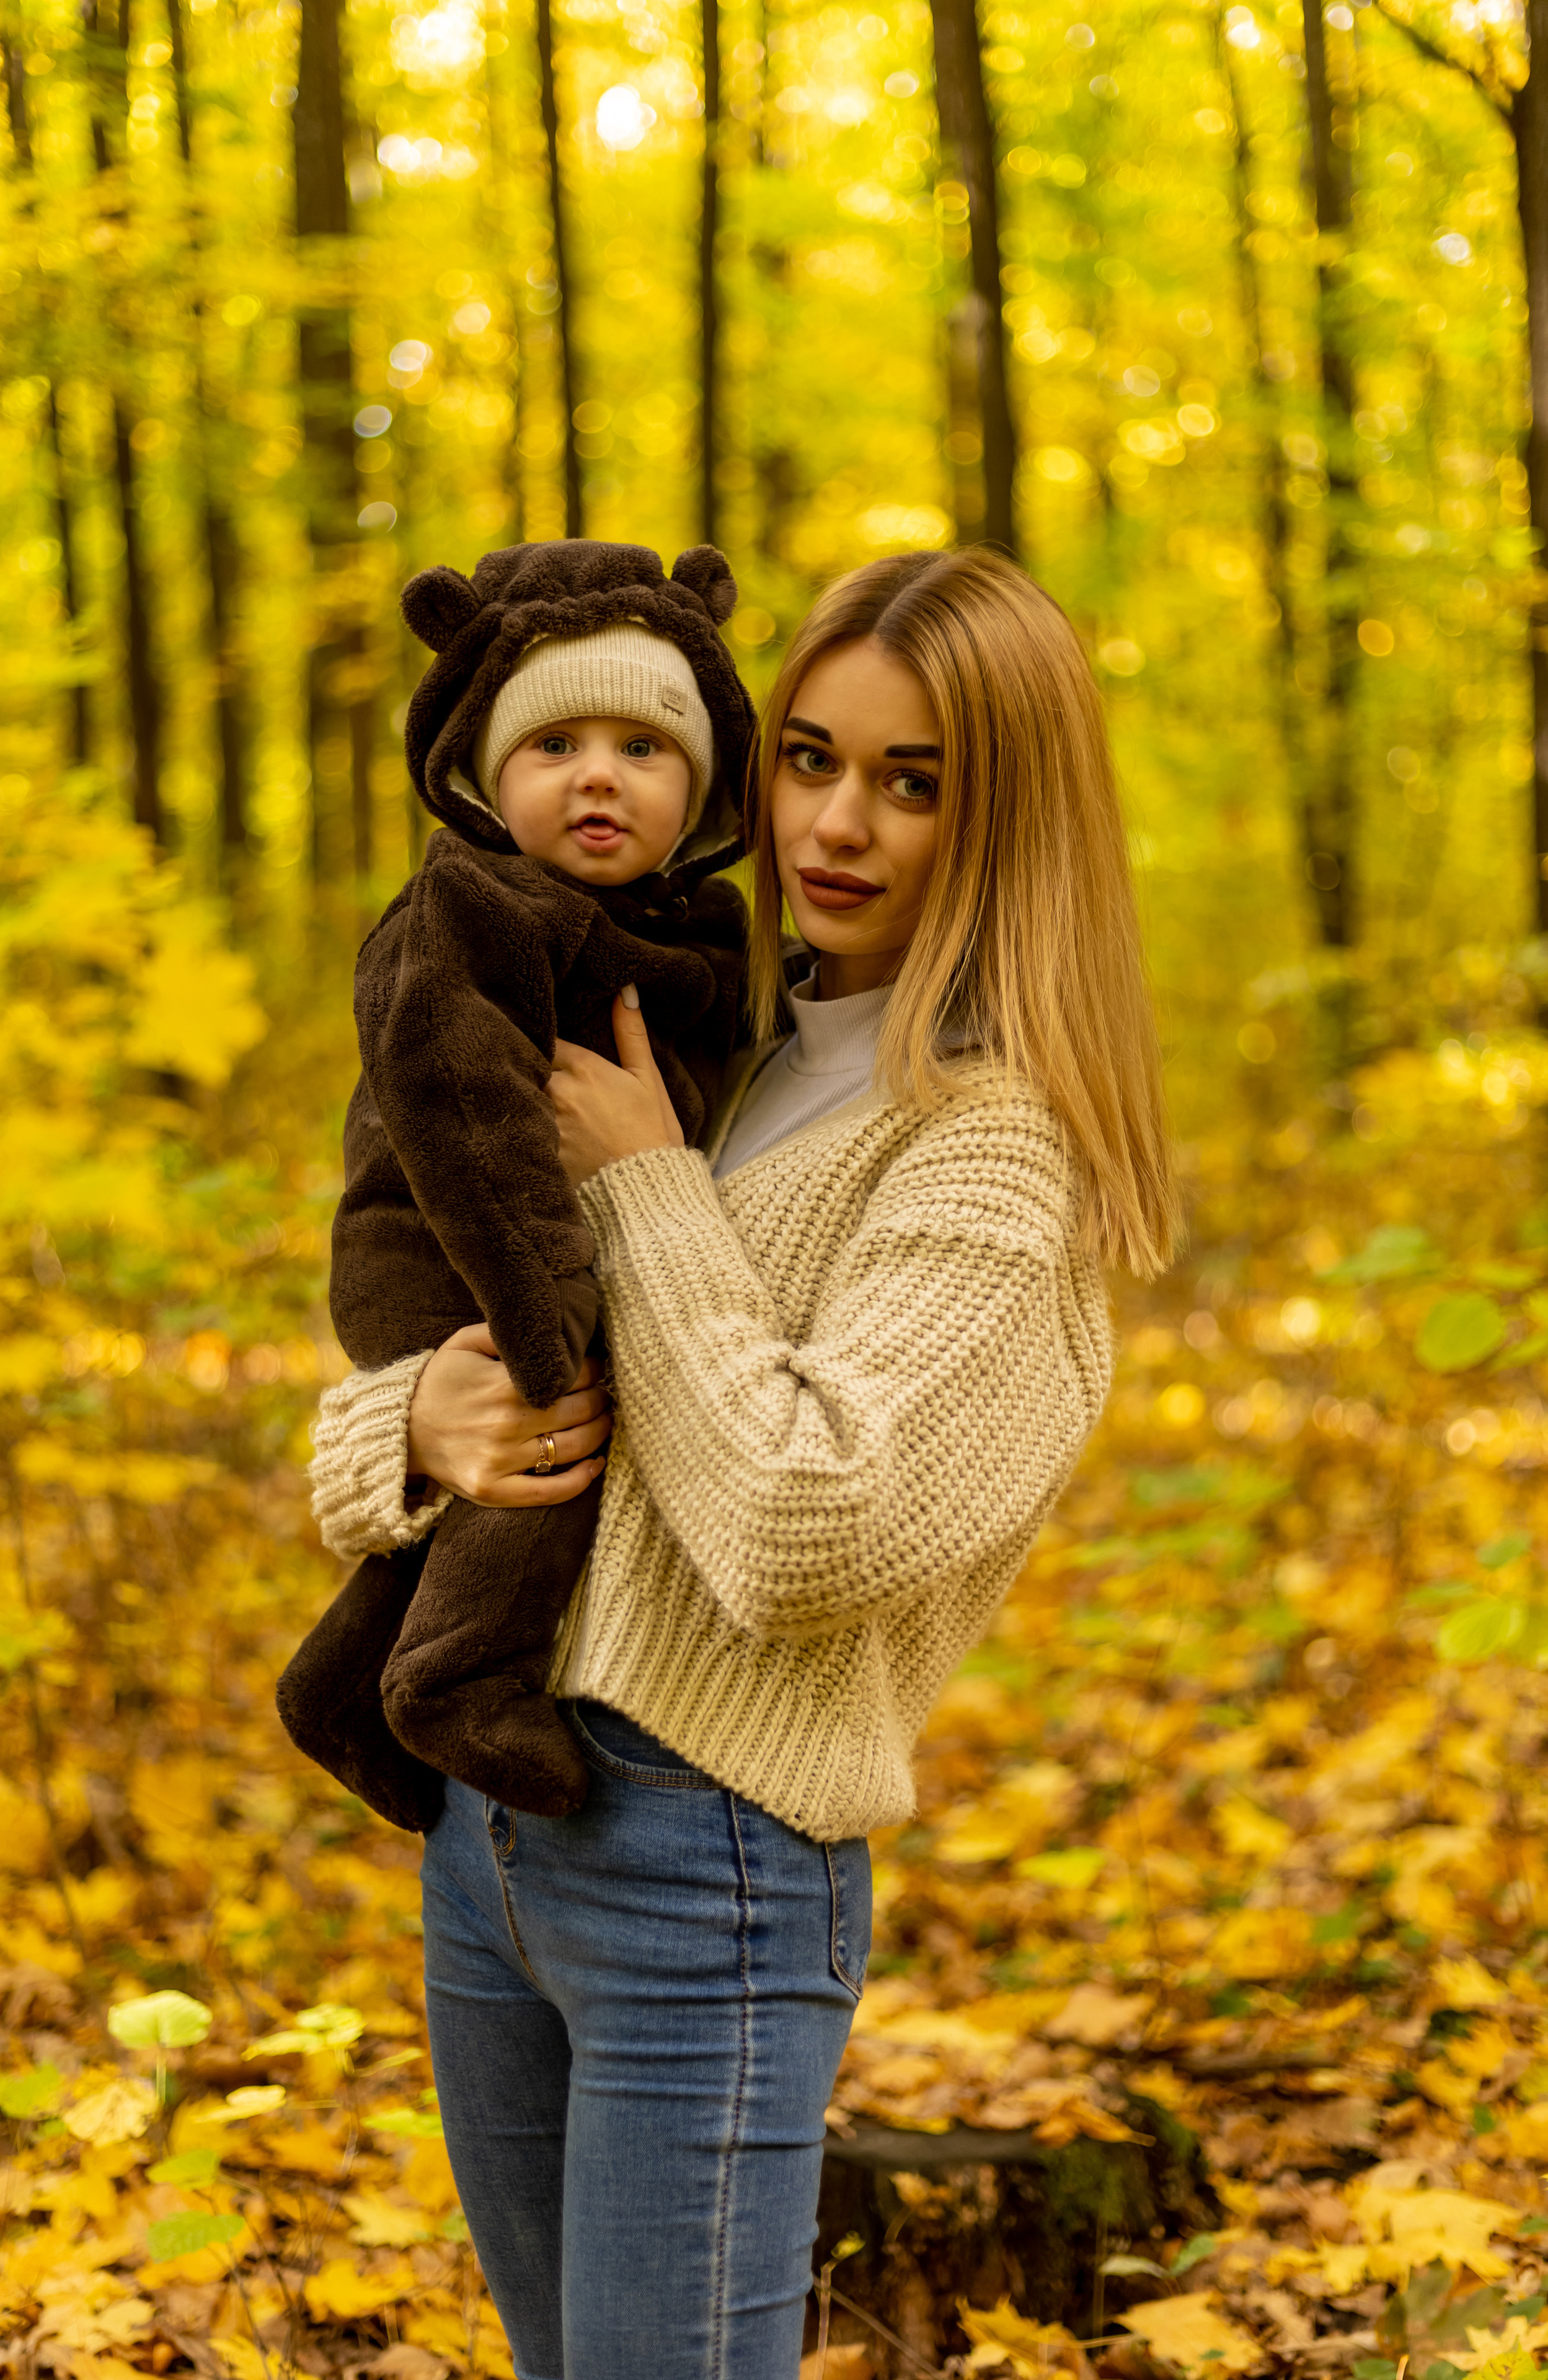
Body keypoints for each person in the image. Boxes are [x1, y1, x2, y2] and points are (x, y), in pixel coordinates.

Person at [305, 545, 1174, 2380]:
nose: (836, 822)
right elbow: (476, 1329)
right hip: (496, 1824)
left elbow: (806, 1520)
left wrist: (646, 1187)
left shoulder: (1001, 1150)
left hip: (706, 1854)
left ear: (1011, 821)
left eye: (915, 781)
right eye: (809, 756)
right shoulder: (714, 1035)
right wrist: (411, 1431)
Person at [278, 539, 755, 1835]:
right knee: (565, 1431)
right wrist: (544, 1312)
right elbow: (465, 1109)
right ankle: (456, 1675)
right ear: (487, 779)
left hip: (529, 1245)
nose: (598, 772)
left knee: (526, 1457)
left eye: (643, 749)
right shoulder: (470, 908)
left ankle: (342, 1681)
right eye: (554, 748)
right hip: (442, 1245)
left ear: (703, 787)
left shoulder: (681, 924)